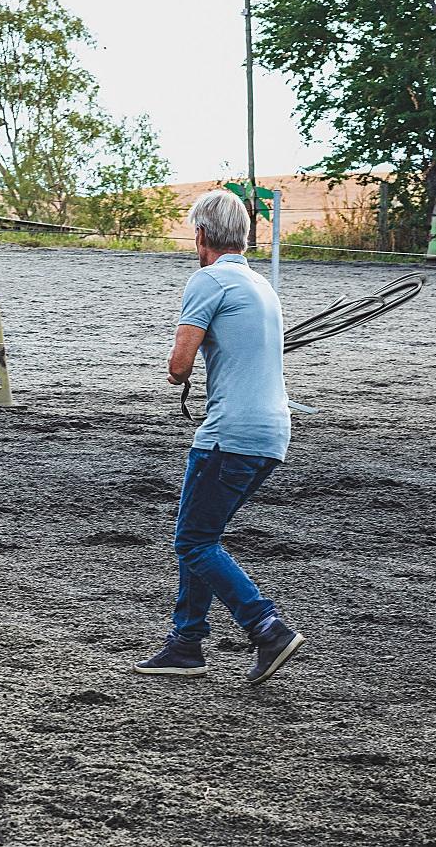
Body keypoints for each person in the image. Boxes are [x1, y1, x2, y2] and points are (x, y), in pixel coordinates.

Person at [134, 189, 305, 684]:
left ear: (202, 234)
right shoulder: (261, 287)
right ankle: (186, 643)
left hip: (229, 434)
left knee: (191, 541)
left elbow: (178, 365)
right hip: (272, 433)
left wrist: (184, 366)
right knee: (204, 538)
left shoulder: (207, 280)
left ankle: (267, 627)